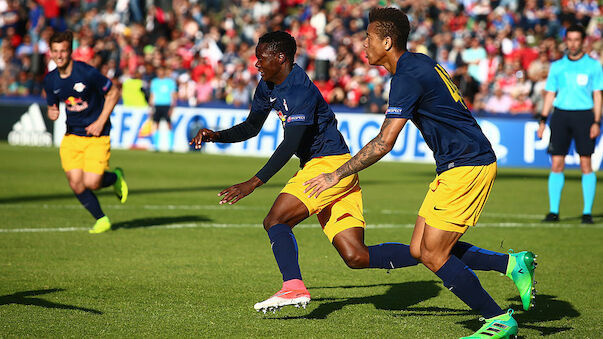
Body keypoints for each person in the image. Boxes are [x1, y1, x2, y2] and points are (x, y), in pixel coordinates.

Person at [304, 8, 536, 338]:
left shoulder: (406, 76)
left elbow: (384, 142)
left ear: (387, 41)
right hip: (455, 164)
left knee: (433, 253)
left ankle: (497, 319)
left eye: (368, 37)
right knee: (418, 249)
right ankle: (511, 264)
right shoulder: (418, 62)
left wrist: (335, 175)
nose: (363, 44)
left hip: (468, 165)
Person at [190, 31, 422, 313]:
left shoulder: (300, 90)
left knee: (276, 220)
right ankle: (436, 253)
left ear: (280, 58)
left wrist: (253, 182)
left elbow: (290, 144)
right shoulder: (268, 84)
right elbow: (252, 127)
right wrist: (217, 136)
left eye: (261, 58)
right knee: (356, 256)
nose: (256, 64)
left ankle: (292, 287)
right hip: (331, 167)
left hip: (329, 165)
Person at [43, 31, 128, 234]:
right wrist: (52, 112)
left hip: (97, 136)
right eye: (55, 51)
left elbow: (114, 92)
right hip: (72, 136)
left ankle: (115, 178)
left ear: (70, 51)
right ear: (51, 53)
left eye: (63, 50)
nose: (59, 55)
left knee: (92, 183)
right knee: (76, 183)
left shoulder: (87, 73)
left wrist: (100, 121)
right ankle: (102, 219)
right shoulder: (50, 80)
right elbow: (52, 106)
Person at [537, 24, 602, 224]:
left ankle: (587, 213)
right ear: (566, 41)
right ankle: (553, 211)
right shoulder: (557, 66)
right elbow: (550, 94)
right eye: (570, 39)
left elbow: (597, 95)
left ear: (583, 42)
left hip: (584, 116)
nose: (573, 43)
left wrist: (596, 121)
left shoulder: (593, 66)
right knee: (556, 163)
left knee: (585, 163)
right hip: (561, 116)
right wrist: (542, 120)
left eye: (576, 39)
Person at [149, 65, 177, 151]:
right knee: (156, 124)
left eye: (161, 71)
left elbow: (173, 95)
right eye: (159, 71)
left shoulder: (170, 82)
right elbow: (152, 95)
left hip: (167, 105)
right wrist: (150, 107)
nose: (160, 73)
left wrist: (172, 107)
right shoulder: (154, 82)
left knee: (169, 124)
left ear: (164, 72)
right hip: (157, 105)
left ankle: (171, 146)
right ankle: (156, 146)